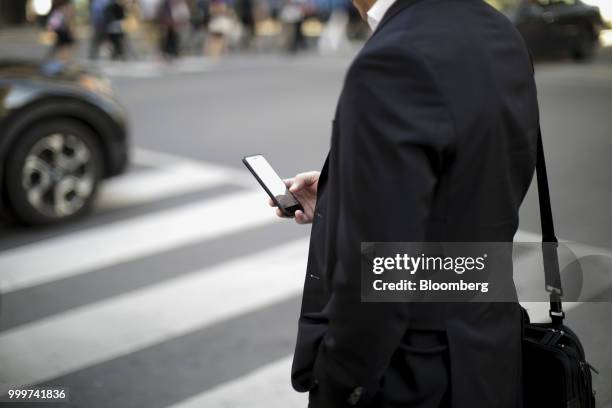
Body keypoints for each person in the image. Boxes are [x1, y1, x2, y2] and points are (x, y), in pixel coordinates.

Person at [268, 0, 540, 406]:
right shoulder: (496, 28)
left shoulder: (396, 55)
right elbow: (469, 175)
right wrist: (338, 190)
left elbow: (382, 271)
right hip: (490, 350)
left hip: (412, 372)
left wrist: (342, 381)